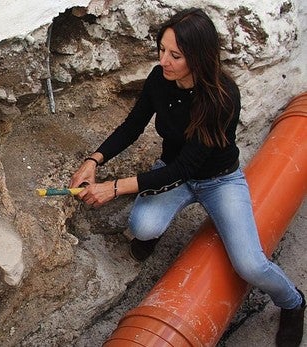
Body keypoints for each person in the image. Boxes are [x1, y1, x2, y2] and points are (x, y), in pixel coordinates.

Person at [68, 8, 304, 346]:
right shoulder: (158, 79)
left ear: (198, 56)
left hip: (219, 180)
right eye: (161, 50)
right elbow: (132, 127)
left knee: (250, 265)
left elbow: (186, 168)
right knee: (142, 228)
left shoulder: (222, 98)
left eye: (175, 55)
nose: (164, 60)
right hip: (171, 172)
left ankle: (293, 302)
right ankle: (155, 229)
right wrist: (94, 160)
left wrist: (114, 188)